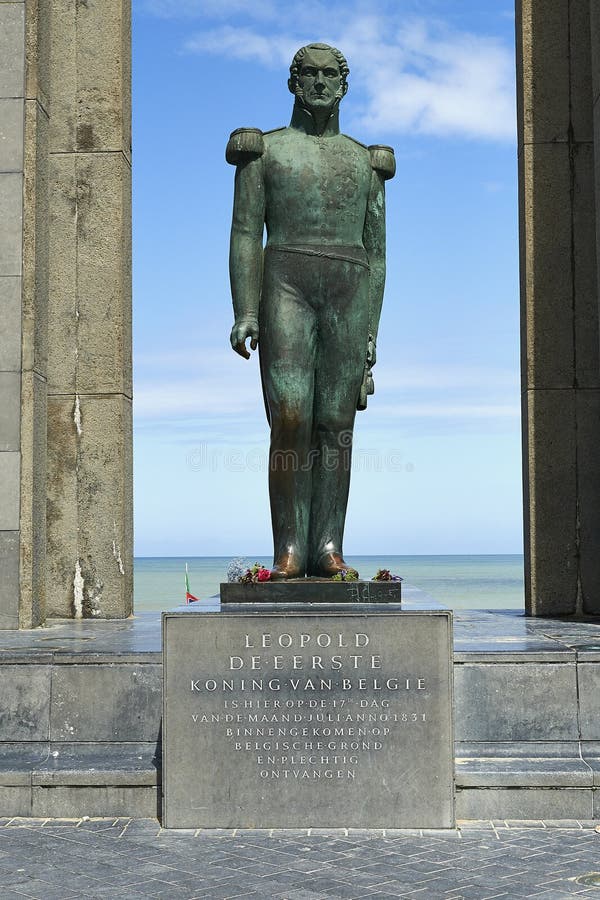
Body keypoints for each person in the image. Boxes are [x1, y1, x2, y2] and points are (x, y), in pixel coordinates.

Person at [227, 43, 395, 580]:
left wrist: (370, 330)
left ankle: (327, 546)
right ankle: (288, 551)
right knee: (292, 416)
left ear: (344, 85)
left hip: (349, 285)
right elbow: (246, 233)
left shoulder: (365, 161)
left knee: (335, 423)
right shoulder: (264, 152)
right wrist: (245, 309)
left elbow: (379, 252)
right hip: (286, 281)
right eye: (309, 74)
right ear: (293, 83)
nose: (320, 83)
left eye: (330, 75)